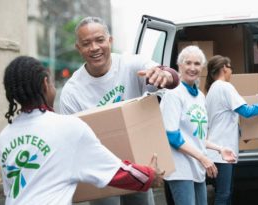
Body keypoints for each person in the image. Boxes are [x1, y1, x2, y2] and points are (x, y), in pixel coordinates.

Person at [0, 56, 165, 205]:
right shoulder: (67, 127)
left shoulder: (5, 136)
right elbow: (114, 171)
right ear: (45, 84)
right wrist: (150, 176)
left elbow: (11, 190)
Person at [59, 17, 179, 205]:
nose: (94, 48)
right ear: (78, 48)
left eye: (99, 40)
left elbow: (168, 77)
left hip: (139, 165)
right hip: (102, 173)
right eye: (86, 43)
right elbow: (71, 142)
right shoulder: (72, 92)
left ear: (110, 41)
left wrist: (165, 75)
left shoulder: (131, 65)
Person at [160, 46, 237, 205]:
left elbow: (197, 135)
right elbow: (172, 136)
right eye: (188, 63)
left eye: (197, 63)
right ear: (179, 66)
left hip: (196, 167)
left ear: (202, 67)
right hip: (180, 168)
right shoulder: (174, 94)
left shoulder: (200, 96)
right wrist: (203, 158)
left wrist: (219, 148)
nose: (193, 68)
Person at [205, 55, 258, 205]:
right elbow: (247, 112)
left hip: (219, 150)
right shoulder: (224, 87)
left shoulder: (212, 90)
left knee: (225, 193)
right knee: (224, 194)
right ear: (224, 68)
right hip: (222, 151)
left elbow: (224, 120)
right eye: (231, 68)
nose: (231, 73)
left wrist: (242, 134)